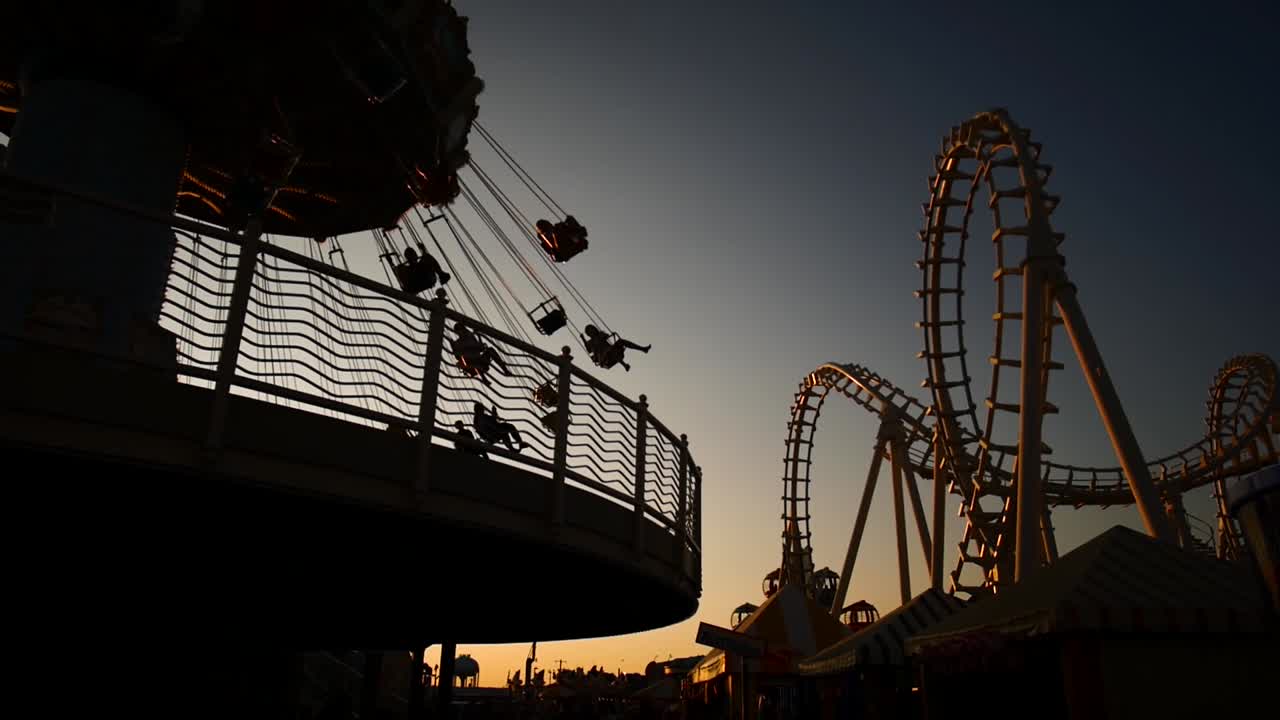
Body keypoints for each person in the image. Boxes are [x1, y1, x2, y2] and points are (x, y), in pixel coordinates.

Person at [582, 324, 651, 371]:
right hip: (604, 359)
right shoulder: (590, 342)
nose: (592, 331)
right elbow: (589, 350)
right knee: (610, 351)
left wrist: (610, 335)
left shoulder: (600, 334)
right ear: (588, 334)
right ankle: (624, 365)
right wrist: (583, 339)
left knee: (621, 341)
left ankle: (643, 349)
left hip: (612, 351)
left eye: (592, 329)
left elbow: (606, 336)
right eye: (590, 331)